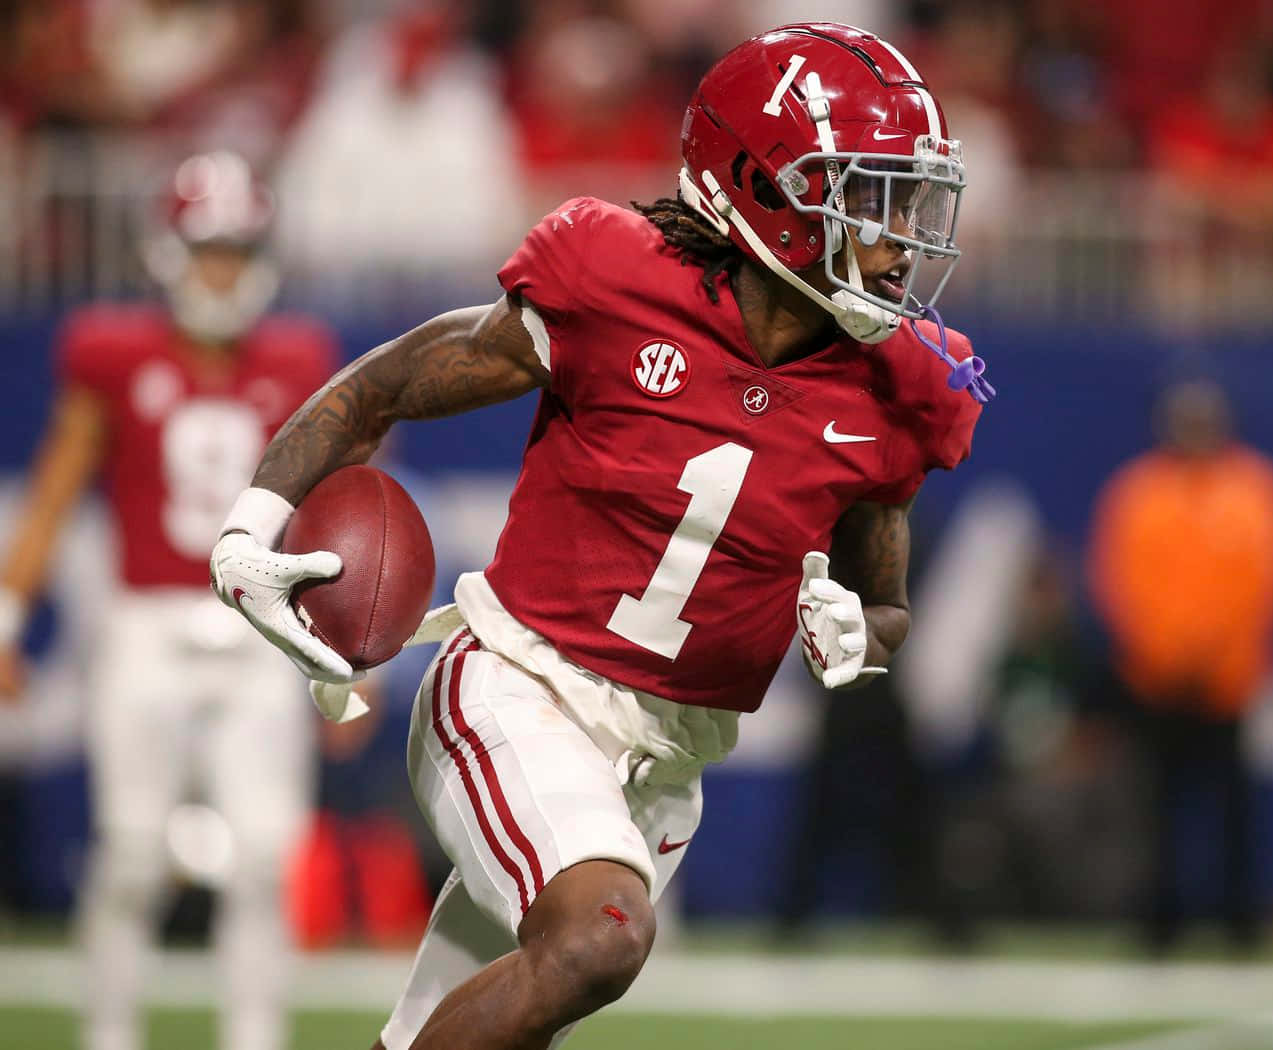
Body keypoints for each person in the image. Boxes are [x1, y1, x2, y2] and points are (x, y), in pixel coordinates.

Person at [211, 23, 990, 1050]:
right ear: (762, 189)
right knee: (596, 942)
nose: (901, 236)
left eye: (910, 199)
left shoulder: (903, 384)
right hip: (517, 684)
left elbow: (881, 593)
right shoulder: (613, 280)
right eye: (867, 196)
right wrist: (246, 531)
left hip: (667, 762)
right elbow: (384, 387)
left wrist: (864, 631)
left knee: (456, 1027)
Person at [0, 151, 338, 1050]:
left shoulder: (299, 358)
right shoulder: (112, 353)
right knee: (133, 853)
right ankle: (108, 1034)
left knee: (266, 857)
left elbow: (337, 522)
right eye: (206, 250)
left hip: (262, 636)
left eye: (234, 250)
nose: (220, 271)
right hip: (144, 627)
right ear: (168, 252)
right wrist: (6, 619)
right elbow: (55, 491)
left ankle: (254, 1037)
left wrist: (348, 660)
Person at [1087, 375, 1273, 953]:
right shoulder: (1139, 491)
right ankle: (1160, 923)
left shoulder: (1256, 489)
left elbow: (1266, 583)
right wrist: (1162, 653)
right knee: (1153, 813)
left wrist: (1214, 654)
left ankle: (1240, 923)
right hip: (1155, 682)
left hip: (1225, 683)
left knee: (1233, 811)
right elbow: (1119, 583)